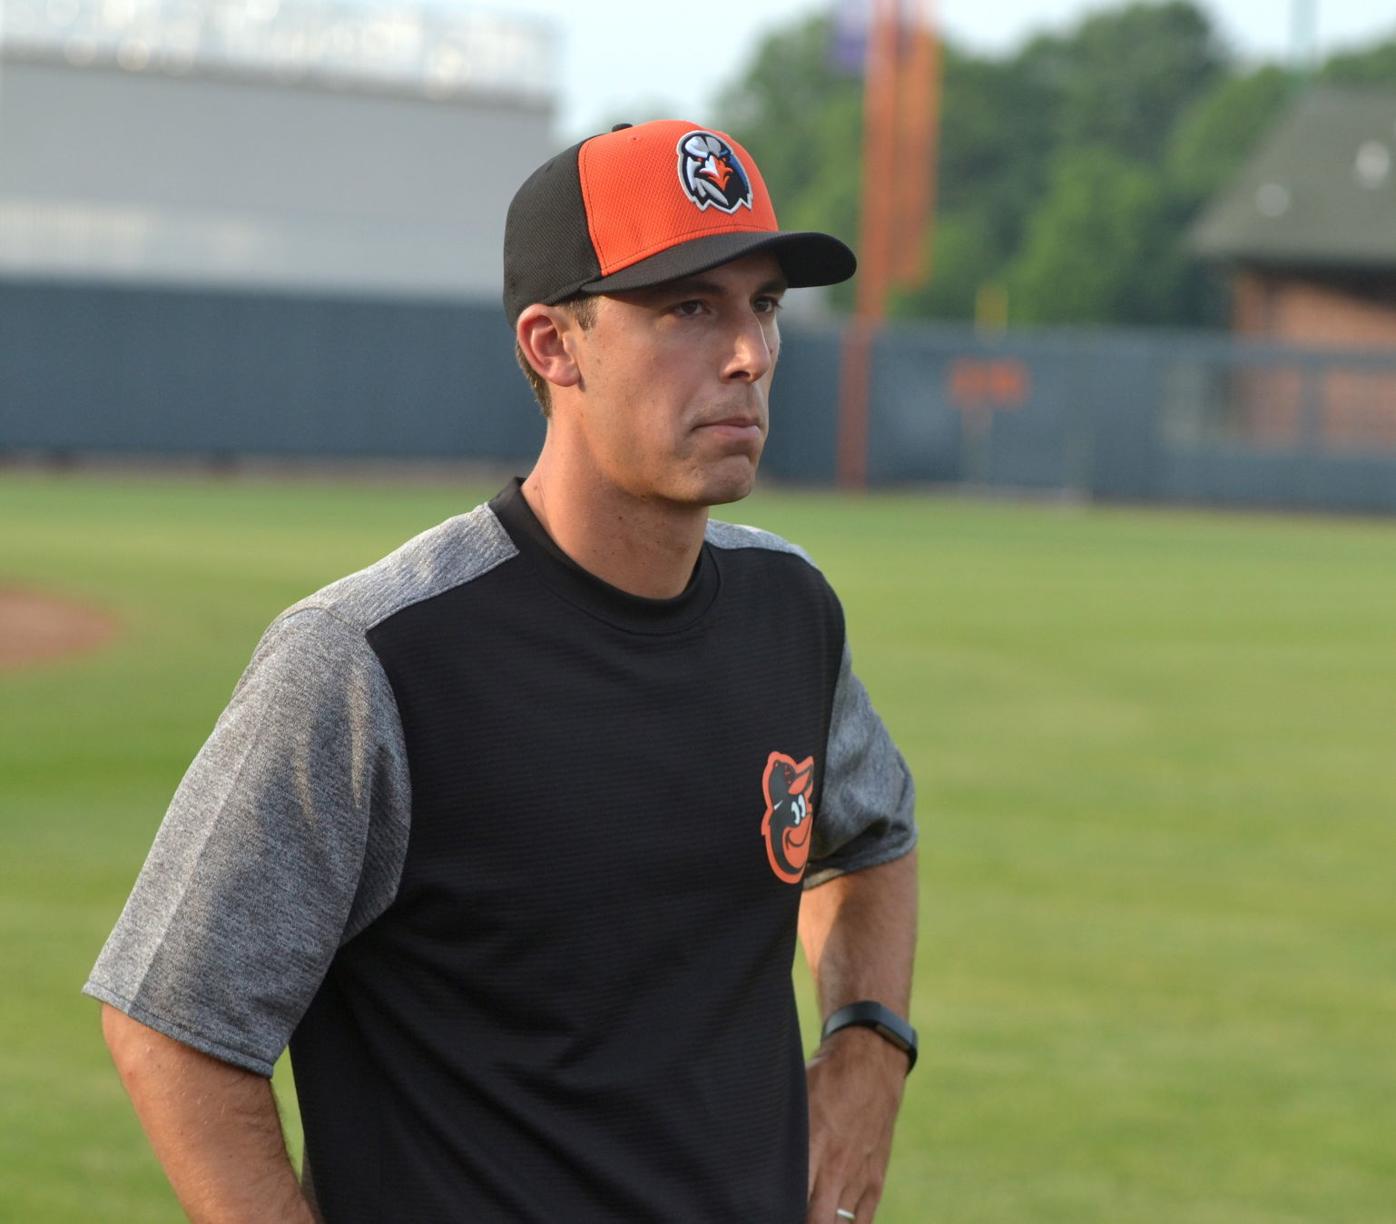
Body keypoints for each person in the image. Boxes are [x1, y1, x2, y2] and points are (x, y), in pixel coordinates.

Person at [86, 119, 919, 1224]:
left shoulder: (790, 613)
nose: (749, 354)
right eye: (687, 307)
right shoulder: (373, 658)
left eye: (761, 304)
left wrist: (868, 1051)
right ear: (552, 344)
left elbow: (870, 841)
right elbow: (171, 1021)